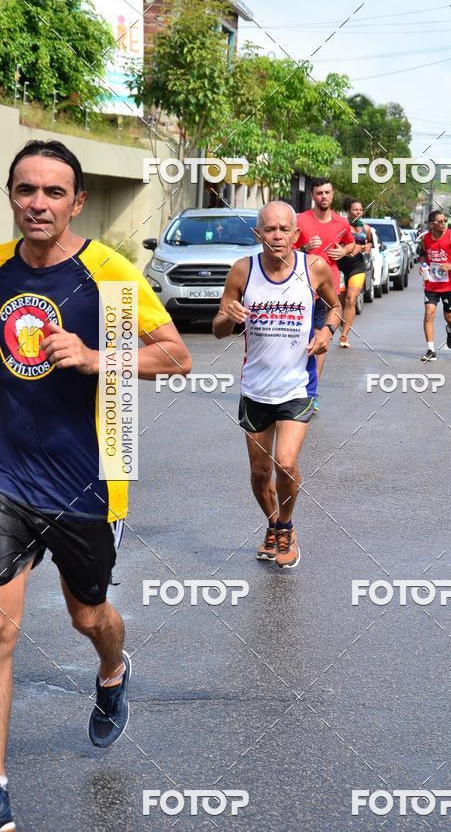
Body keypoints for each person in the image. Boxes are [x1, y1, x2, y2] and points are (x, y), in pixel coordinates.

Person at [0, 140, 191, 828]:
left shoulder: (108, 272)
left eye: (54, 193)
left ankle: (113, 670)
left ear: (77, 202)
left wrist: (92, 355)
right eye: (26, 190)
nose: (38, 204)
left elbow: (176, 355)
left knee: (89, 618)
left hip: (86, 484)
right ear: (12, 196)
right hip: (7, 481)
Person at [213, 201, 340, 570]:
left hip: (297, 385)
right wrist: (229, 318)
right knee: (258, 473)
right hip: (255, 389)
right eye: (270, 229)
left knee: (285, 463)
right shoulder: (242, 271)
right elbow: (218, 328)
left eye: (285, 229)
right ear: (258, 234)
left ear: (296, 234)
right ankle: (273, 524)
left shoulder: (313, 268)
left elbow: (337, 306)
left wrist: (327, 330)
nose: (278, 236)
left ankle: (286, 528)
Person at [293, 179, 355, 405]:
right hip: (302, 287)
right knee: (299, 339)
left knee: (320, 340)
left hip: (328, 289)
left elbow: (351, 245)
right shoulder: (300, 220)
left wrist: (343, 251)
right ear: (312, 195)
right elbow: (284, 251)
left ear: (333, 194)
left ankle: (312, 393)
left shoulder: (341, 223)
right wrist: (303, 249)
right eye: (319, 193)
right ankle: (294, 385)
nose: (324, 197)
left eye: (327, 192)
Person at [419, 210, 451, 361]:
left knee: (449, 316)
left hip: (450, 284)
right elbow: (422, 254)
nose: (443, 224)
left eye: (445, 221)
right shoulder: (426, 239)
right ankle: (430, 350)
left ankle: (450, 329)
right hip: (431, 283)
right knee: (429, 313)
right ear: (432, 224)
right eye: (440, 221)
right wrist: (423, 265)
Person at [337, 197, 374, 347]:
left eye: (360, 209)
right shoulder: (341, 226)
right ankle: (340, 320)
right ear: (348, 211)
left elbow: (369, 243)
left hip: (357, 267)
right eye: (355, 209)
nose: (358, 212)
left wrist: (367, 248)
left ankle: (344, 336)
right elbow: (334, 244)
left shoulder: (365, 228)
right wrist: (348, 249)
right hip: (339, 266)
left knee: (351, 300)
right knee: (340, 301)